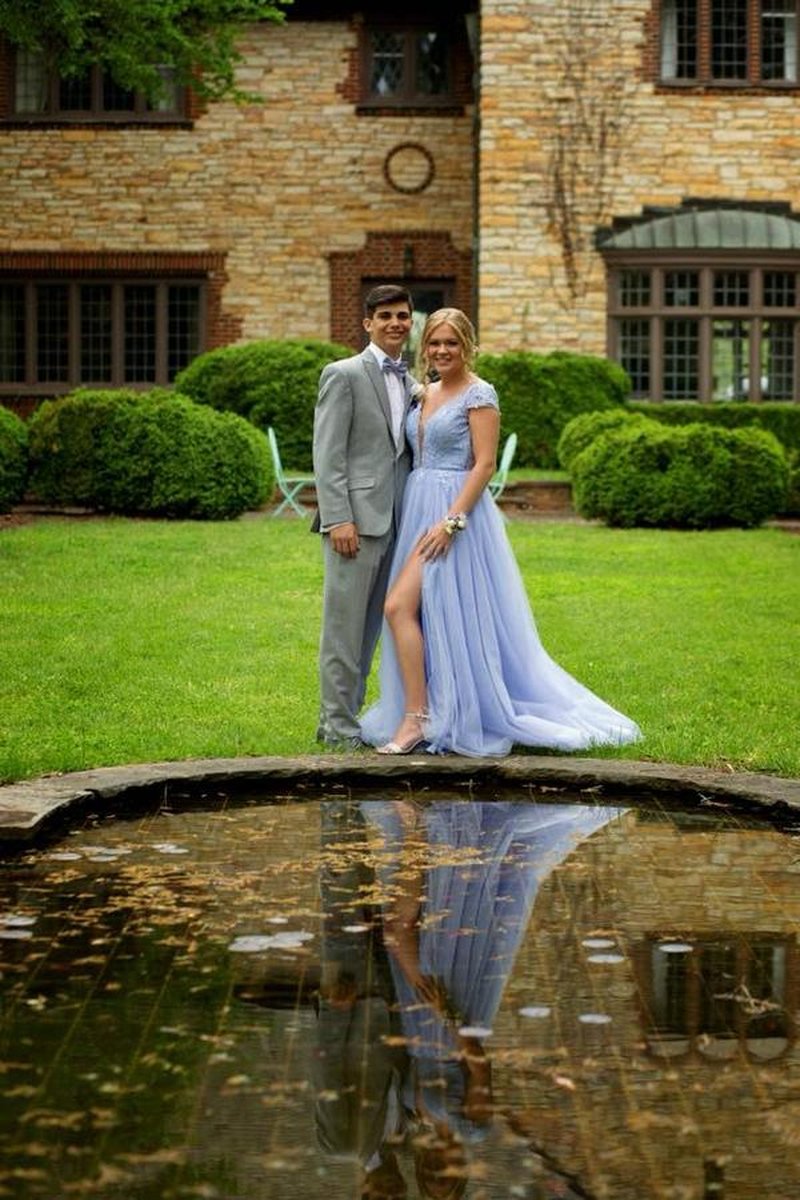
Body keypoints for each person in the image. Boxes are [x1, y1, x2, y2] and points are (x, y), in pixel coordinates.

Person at [359, 307, 641, 756]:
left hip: (455, 514)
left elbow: (485, 464)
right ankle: (427, 709)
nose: (441, 350)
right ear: (424, 348)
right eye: (434, 342)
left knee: (399, 606)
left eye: (451, 342)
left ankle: (419, 719)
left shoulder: (480, 393)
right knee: (427, 613)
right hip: (418, 503)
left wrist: (452, 522)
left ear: (468, 346)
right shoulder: (422, 393)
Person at [313, 285, 417, 748]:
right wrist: (338, 518)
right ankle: (337, 730)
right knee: (343, 632)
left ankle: (344, 723)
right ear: (368, 323)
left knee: (371, 632)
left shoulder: (411, 381)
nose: (396, 323)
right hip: (354, 523)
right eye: (387, 316)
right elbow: (328, 453)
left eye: (403, 316)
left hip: (398, 522)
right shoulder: (344, 374)